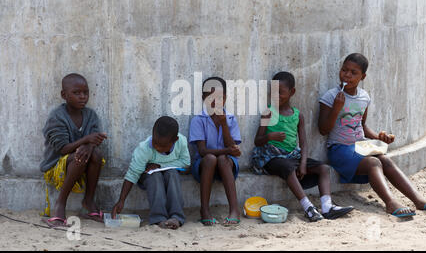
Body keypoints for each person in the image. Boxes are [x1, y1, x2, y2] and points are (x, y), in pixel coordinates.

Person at [318, 53, 426, 218]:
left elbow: (361, 126)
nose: (347, 75)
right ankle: (390, 203)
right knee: (373, 162)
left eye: (353, 72)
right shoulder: (331, 96)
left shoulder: (364, 97)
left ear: (363, 77)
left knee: (385, 159)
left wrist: (378, 137)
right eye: (344, 70)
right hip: (339, 149)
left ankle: (418, 200)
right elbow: (323, 129)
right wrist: (336, 108)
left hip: (359, 146)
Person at [252, 71, 354, 222]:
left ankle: (327, 206)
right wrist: (269, 136)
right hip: (270, 157)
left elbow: (304, 143)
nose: (276, 96)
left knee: (324, 168)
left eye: (280, 92)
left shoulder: (297, 115)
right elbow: (257, 141)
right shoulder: (268, 113)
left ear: (292, 92)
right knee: (288, 167)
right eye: (273, 92)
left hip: (293, 155)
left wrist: (304, 163)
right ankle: (308, 207)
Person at [40, 73, 107, 227]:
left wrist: (90, 144)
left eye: (85, 92)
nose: (82, 97)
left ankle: (88, 202)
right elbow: (63, 149)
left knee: (95, 153)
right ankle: (60, 204)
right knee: (80, 155)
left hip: (81, 163)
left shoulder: (90, 115)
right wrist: (86, 140)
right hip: (57, 167)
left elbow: (94, 141)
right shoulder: (57, 117)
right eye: (76, 93)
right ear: (64, 95)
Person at [112, 116, 190, 229]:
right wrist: (121, 200)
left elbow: (186, 163)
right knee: (155, 176)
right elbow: (133, 174)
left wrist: (161, 166)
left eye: (162, 146)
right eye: (154, 142)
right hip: (148, 177)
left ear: (175, 140)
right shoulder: (144, 148)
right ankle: (159, 218)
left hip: (169, 174)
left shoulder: (181, 141)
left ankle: (176, 217)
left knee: (172, 173)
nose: (156, 147)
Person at [189, 77, 242, 226]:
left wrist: (224, 124)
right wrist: (227, 150)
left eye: (219, 97)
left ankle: (234, 210)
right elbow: (202, 151)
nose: (215, 101)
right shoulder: (198, 120)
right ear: (203, 98)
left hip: (227, 166)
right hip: (203, 166)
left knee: (223, 159)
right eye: (210, 97)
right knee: (212, 158)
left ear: (225, 98)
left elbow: (232, 148)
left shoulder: (230, 119)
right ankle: (204, 210)